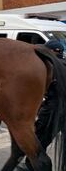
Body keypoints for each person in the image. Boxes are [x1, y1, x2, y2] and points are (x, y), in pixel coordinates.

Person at [17, 39, 65, 171]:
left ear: (50, 52)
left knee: (40, 138)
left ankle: (30, 165)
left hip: (53, 110)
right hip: (59, 109)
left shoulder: (50, 66)